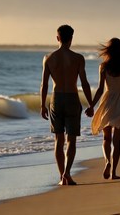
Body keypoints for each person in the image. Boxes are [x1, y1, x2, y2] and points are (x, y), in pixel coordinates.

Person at [40, 25, 93, 186]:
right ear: (71, 38)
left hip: (56, 99)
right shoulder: (78, 58)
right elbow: (84, 83)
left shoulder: (48, 58)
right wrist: (91, 104)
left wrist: (43, 105)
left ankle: (61, 176)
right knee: (71, 140)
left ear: (57, 38)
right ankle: (67, 173)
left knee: (58, 139)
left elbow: (44, 85)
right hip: (72, 98)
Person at [85, 38, 120, 180]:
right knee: (117, 141)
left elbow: (100, 89)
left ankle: (107, 161)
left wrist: (91, 105)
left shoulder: (103, 67)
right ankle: (114, 172)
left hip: (107, 102)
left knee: (106, 138)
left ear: (108, 50)